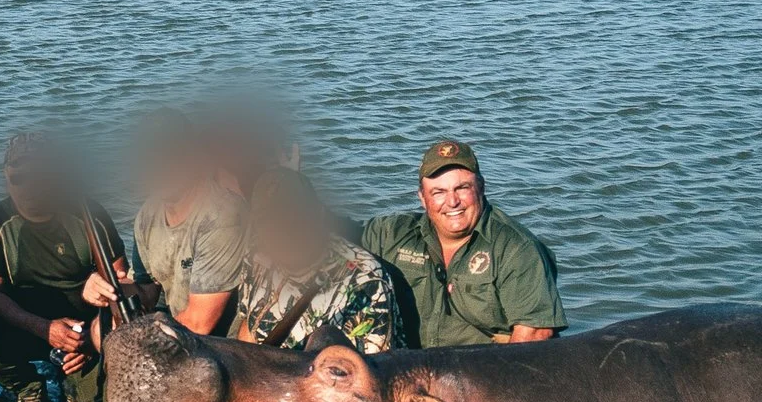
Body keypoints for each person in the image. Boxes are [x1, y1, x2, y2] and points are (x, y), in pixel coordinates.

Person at [0, 132, 133, 402]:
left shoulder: (89, 214)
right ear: (6, 177)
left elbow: (121, 288)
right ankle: (30, 389)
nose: (28, 189)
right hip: (28, 325)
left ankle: (73, 386)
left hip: (86, 332)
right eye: (19, 180)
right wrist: (44, 329)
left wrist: (92, 341)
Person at [358, 139, 566, 347]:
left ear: (481, 188)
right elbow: (335, 239)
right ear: (422, 198)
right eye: (438, 192)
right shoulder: (390, 234)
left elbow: (535, 335)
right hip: (407, 367)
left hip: (486, 371)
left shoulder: (517, 248)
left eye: (462, 188)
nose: (452, 201)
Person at [232, 167, 398, 354]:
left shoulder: (365, 279)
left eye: (295, 215)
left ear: (318, 214)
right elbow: (248, 325)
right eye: (268, 220)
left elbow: (368, 375)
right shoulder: (256, 257)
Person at [127, 109, 246, 337]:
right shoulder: (147, 214)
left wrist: (137, 340)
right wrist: (109, 290)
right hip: (178, 331)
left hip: (222, 348)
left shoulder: (222, 215)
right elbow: (147, 292)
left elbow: (200, 324)